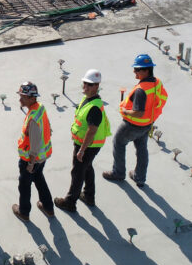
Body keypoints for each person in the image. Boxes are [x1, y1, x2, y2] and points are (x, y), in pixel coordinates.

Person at [104, 54, 169, 187]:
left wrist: (124, 111)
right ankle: (140, 178)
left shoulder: (141, 91)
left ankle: (118, 173)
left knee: (118, 143)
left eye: (137, 69)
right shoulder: (156, 82)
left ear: (146, 71)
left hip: (133, 125)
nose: (134, 72)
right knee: (141, 149)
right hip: (148, 123)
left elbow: (138, 113)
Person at [55, 69, 110, 212]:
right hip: (87, 145)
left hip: (88, 146)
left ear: (97, 86)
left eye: (90, 85)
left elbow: (92, 131)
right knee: (87, 167)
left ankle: (70, 202)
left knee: (77, 172)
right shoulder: (89, 99)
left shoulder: (94, 108)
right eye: (85, 84)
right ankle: (89, 195)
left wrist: (82, 150)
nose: (85, 87)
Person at [12, 82, 54, 221]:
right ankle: (48, 207)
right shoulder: (39, 108)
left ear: (31, 98)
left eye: (23, 97)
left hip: (31, 159)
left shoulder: (33, 118)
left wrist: (30, 163)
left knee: (24, 185)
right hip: (43, 157)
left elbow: (34, 144)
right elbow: (47, 125)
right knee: (39, 178)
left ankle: (24, 212)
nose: (20, 99)